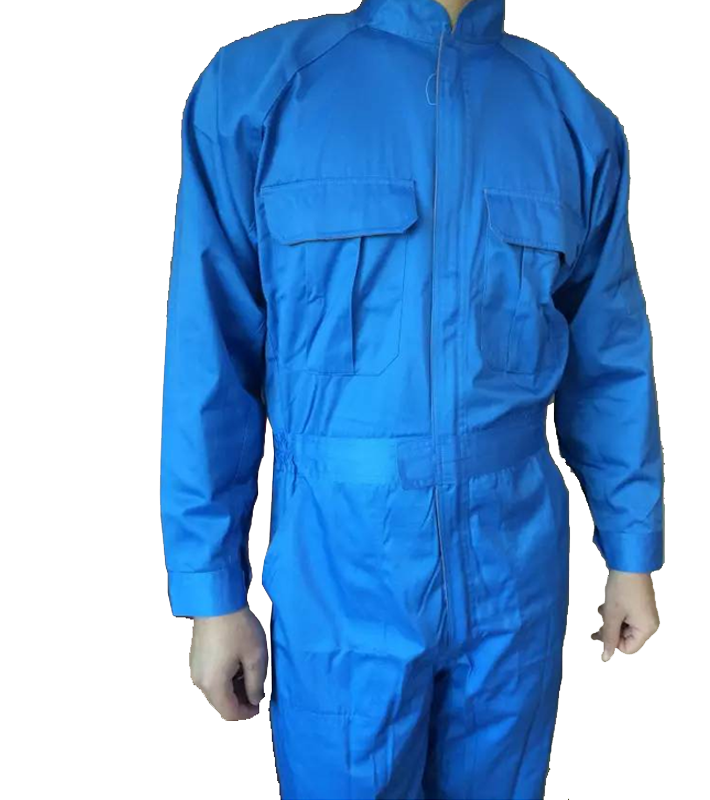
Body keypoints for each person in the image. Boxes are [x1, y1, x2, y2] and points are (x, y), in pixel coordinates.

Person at [159, 0, 664, 797]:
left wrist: (630, 550)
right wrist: (211, 590)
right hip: (340, 575)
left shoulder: (569, 118)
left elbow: (610, 356)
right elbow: (209, 357)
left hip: (515, 575)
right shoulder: (258, 93)